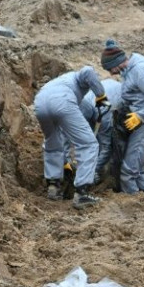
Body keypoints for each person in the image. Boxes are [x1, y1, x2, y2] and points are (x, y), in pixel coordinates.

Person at [34, 66, 110, 209]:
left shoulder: (62, 82)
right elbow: (88, 71)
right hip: (60, 101)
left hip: (40, 103)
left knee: (52, 141)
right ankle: (82, 193)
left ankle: (53, 185)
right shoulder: (78, 76)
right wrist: (101, 95)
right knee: (89, 144)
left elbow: (63, 134)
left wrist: (66, 162)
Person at [100, 39, 144, 197]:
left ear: (117, 62)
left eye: (110, 68)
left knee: (128, 170)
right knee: (137, 162)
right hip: (143, 120)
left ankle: (134, 203)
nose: (111, 73)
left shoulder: (140, 70)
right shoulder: (128, 70)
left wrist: (140, 116)